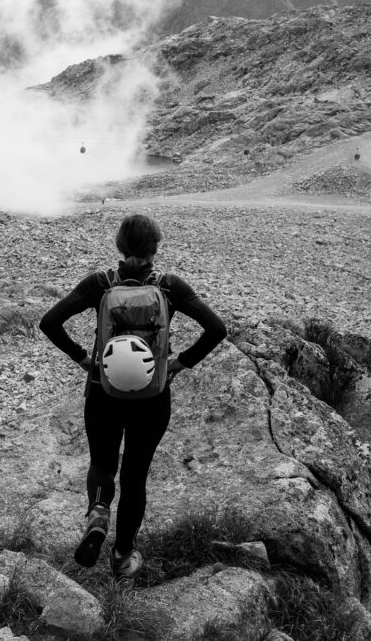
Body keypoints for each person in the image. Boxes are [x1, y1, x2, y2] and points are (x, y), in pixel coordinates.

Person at [39, 213, 226, 580]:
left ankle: (97, 512)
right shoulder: (170, 287)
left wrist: (83, 359)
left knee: (103, 462)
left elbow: (49, 322)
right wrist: (178, 363)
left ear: (120, 246)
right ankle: (123, 556)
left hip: (102, 390)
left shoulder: (99, 284)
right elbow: (216, 329)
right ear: (155, 249)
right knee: (135, 474)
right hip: (152, 395)